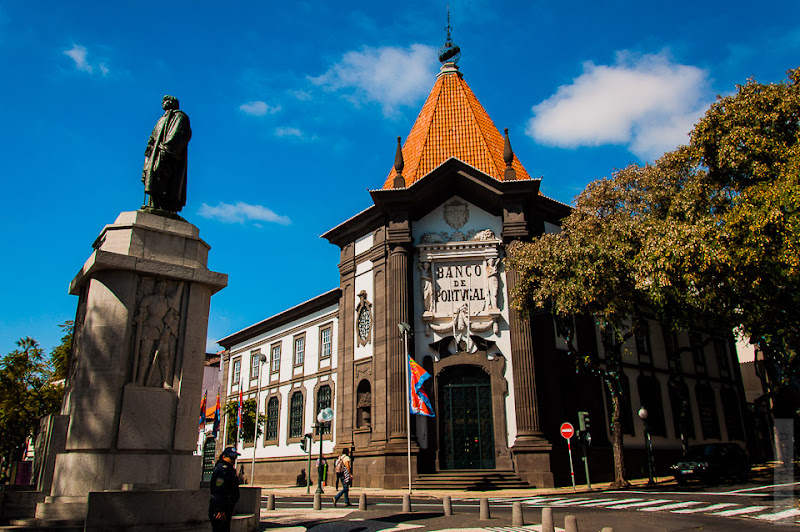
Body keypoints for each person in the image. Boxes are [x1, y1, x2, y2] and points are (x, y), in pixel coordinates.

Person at [142, 95, 191, 213]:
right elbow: (153, 135)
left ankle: (164, 206)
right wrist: (150, 146)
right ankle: (153, 204)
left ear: (173, 103)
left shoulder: (180, 116)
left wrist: (166, 149)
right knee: (152, 177)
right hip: (154, 153)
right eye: (163, 101)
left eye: (166, 100)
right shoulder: (162, 119)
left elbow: (179, 134)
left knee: (163, 176)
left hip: (167, 153)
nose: (163, 102)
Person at [209, 447, 240, 532]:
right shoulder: (222, 470)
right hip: (220, 508)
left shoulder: (229, 469)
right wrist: (219, 509)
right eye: (231, 457)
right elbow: (218, 490)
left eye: (235, 457)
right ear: (224, 457)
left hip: (227, 507)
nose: (233, 460)